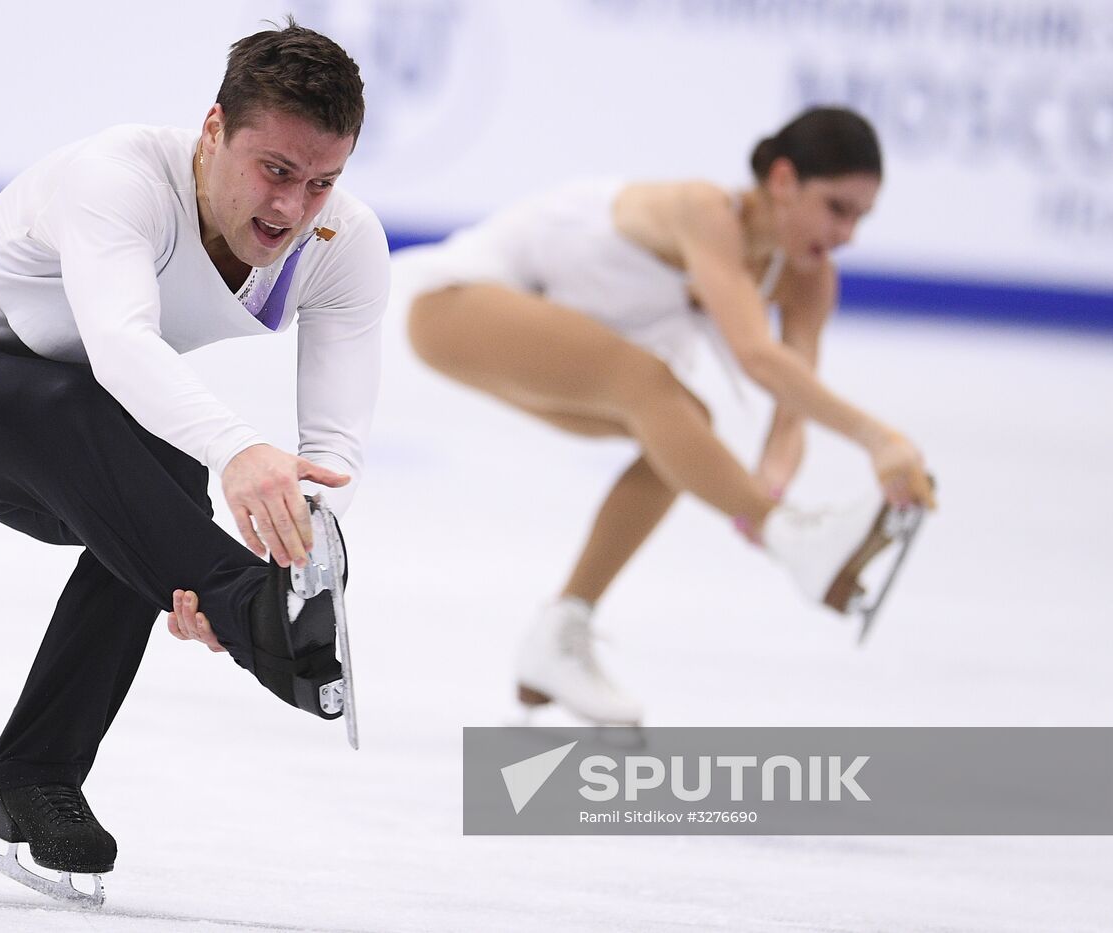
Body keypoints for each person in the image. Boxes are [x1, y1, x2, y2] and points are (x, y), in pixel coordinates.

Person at [0, 18, 388, 892]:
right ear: (214, 131)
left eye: (321, 182)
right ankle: (256, 622)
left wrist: (302, 542)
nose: (291, 208)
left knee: (168, 477)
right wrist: (237, 461)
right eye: (274, 171)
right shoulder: (120, 176)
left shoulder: (344, 246)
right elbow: (119, 345)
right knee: (112, 424)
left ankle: (37, 777)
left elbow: (332, 449)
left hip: (73, 442)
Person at [398, 106, 936, 726]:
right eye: (837, 208)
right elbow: (757, 356)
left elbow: (793, 407)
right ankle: (795, 540)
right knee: (650, 388)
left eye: (860, 218)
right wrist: (879, 440)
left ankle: (561, 630)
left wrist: (766, 489)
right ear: (784, 181)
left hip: (551, 340)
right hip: (456, 306)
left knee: (681, 430)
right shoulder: (705, 212)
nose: (846, 234)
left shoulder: (810, 281)